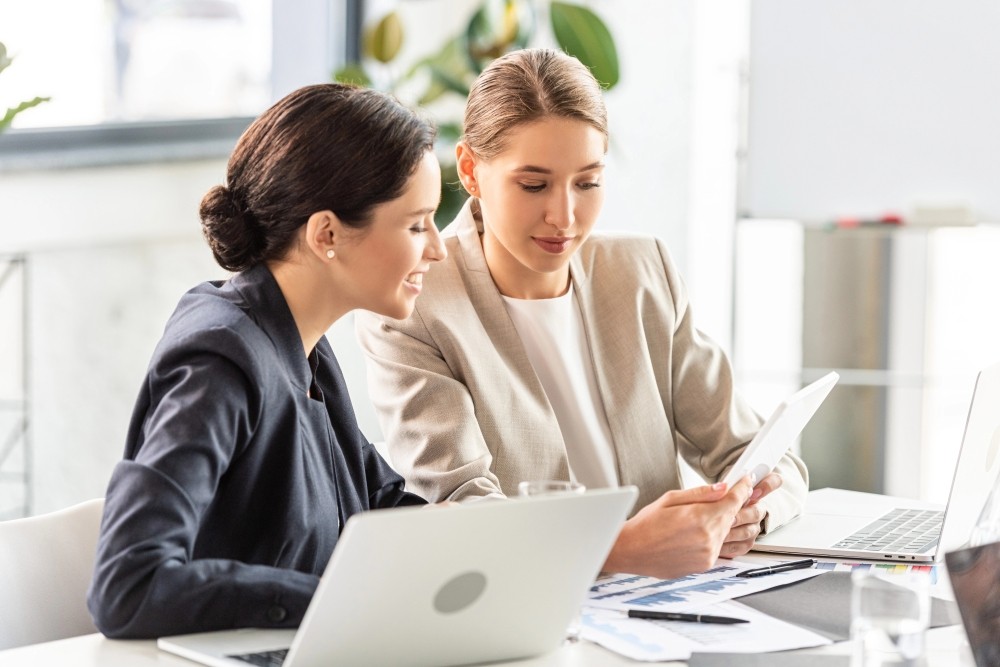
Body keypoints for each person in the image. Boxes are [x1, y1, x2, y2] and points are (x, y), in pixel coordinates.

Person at [356, 48, 808, 580]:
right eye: (534, 185)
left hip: (672, 604)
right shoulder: (413, 304)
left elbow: (763, 457)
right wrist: (616, 548)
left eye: (588, 182)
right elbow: (463, 510)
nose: (564, 216)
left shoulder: (642, 271)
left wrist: (747, 515)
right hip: (529, 606)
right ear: (472, 172)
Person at [87, 83, 446, 638]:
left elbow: (375, 501)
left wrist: (476, 543)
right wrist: (330, 599)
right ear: (327, 234)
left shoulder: (307, 345)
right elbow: (129, 586)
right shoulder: (221, 361)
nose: (438, 247)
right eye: (417, 224)